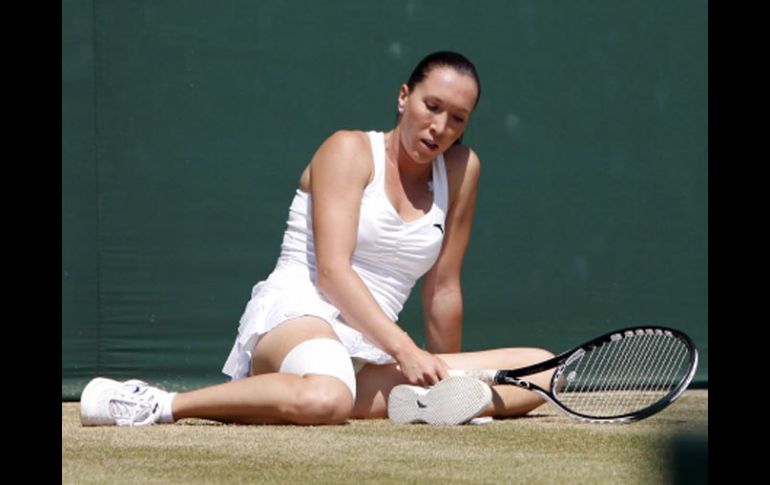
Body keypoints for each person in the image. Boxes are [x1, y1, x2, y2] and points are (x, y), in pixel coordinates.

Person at [79, 51, 555, 427]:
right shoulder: (348, 149)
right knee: (328, 395)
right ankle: (158, 404)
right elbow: (332, 271)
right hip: (300, 314)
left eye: (458, 119)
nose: (440, 128)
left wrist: (447, 382)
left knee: (541, 370)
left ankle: (407, 404)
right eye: (432, 107)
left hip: (369, 348)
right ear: (404, 97)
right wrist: (406, 351)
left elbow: (443, 286)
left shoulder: (463, 169)